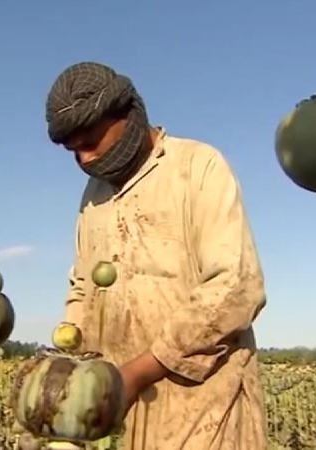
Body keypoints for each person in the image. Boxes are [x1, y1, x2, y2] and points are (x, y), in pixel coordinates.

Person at [45, 61, 267, 450]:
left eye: (91, 141)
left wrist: (139, 371)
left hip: (201, 402)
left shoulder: (198, 166)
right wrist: (74, 365)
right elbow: (82, 286)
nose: (84, 159)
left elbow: (235, 286)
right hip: (116, 407)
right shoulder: (94, 196)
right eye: (73, 150)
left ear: (128, 113)